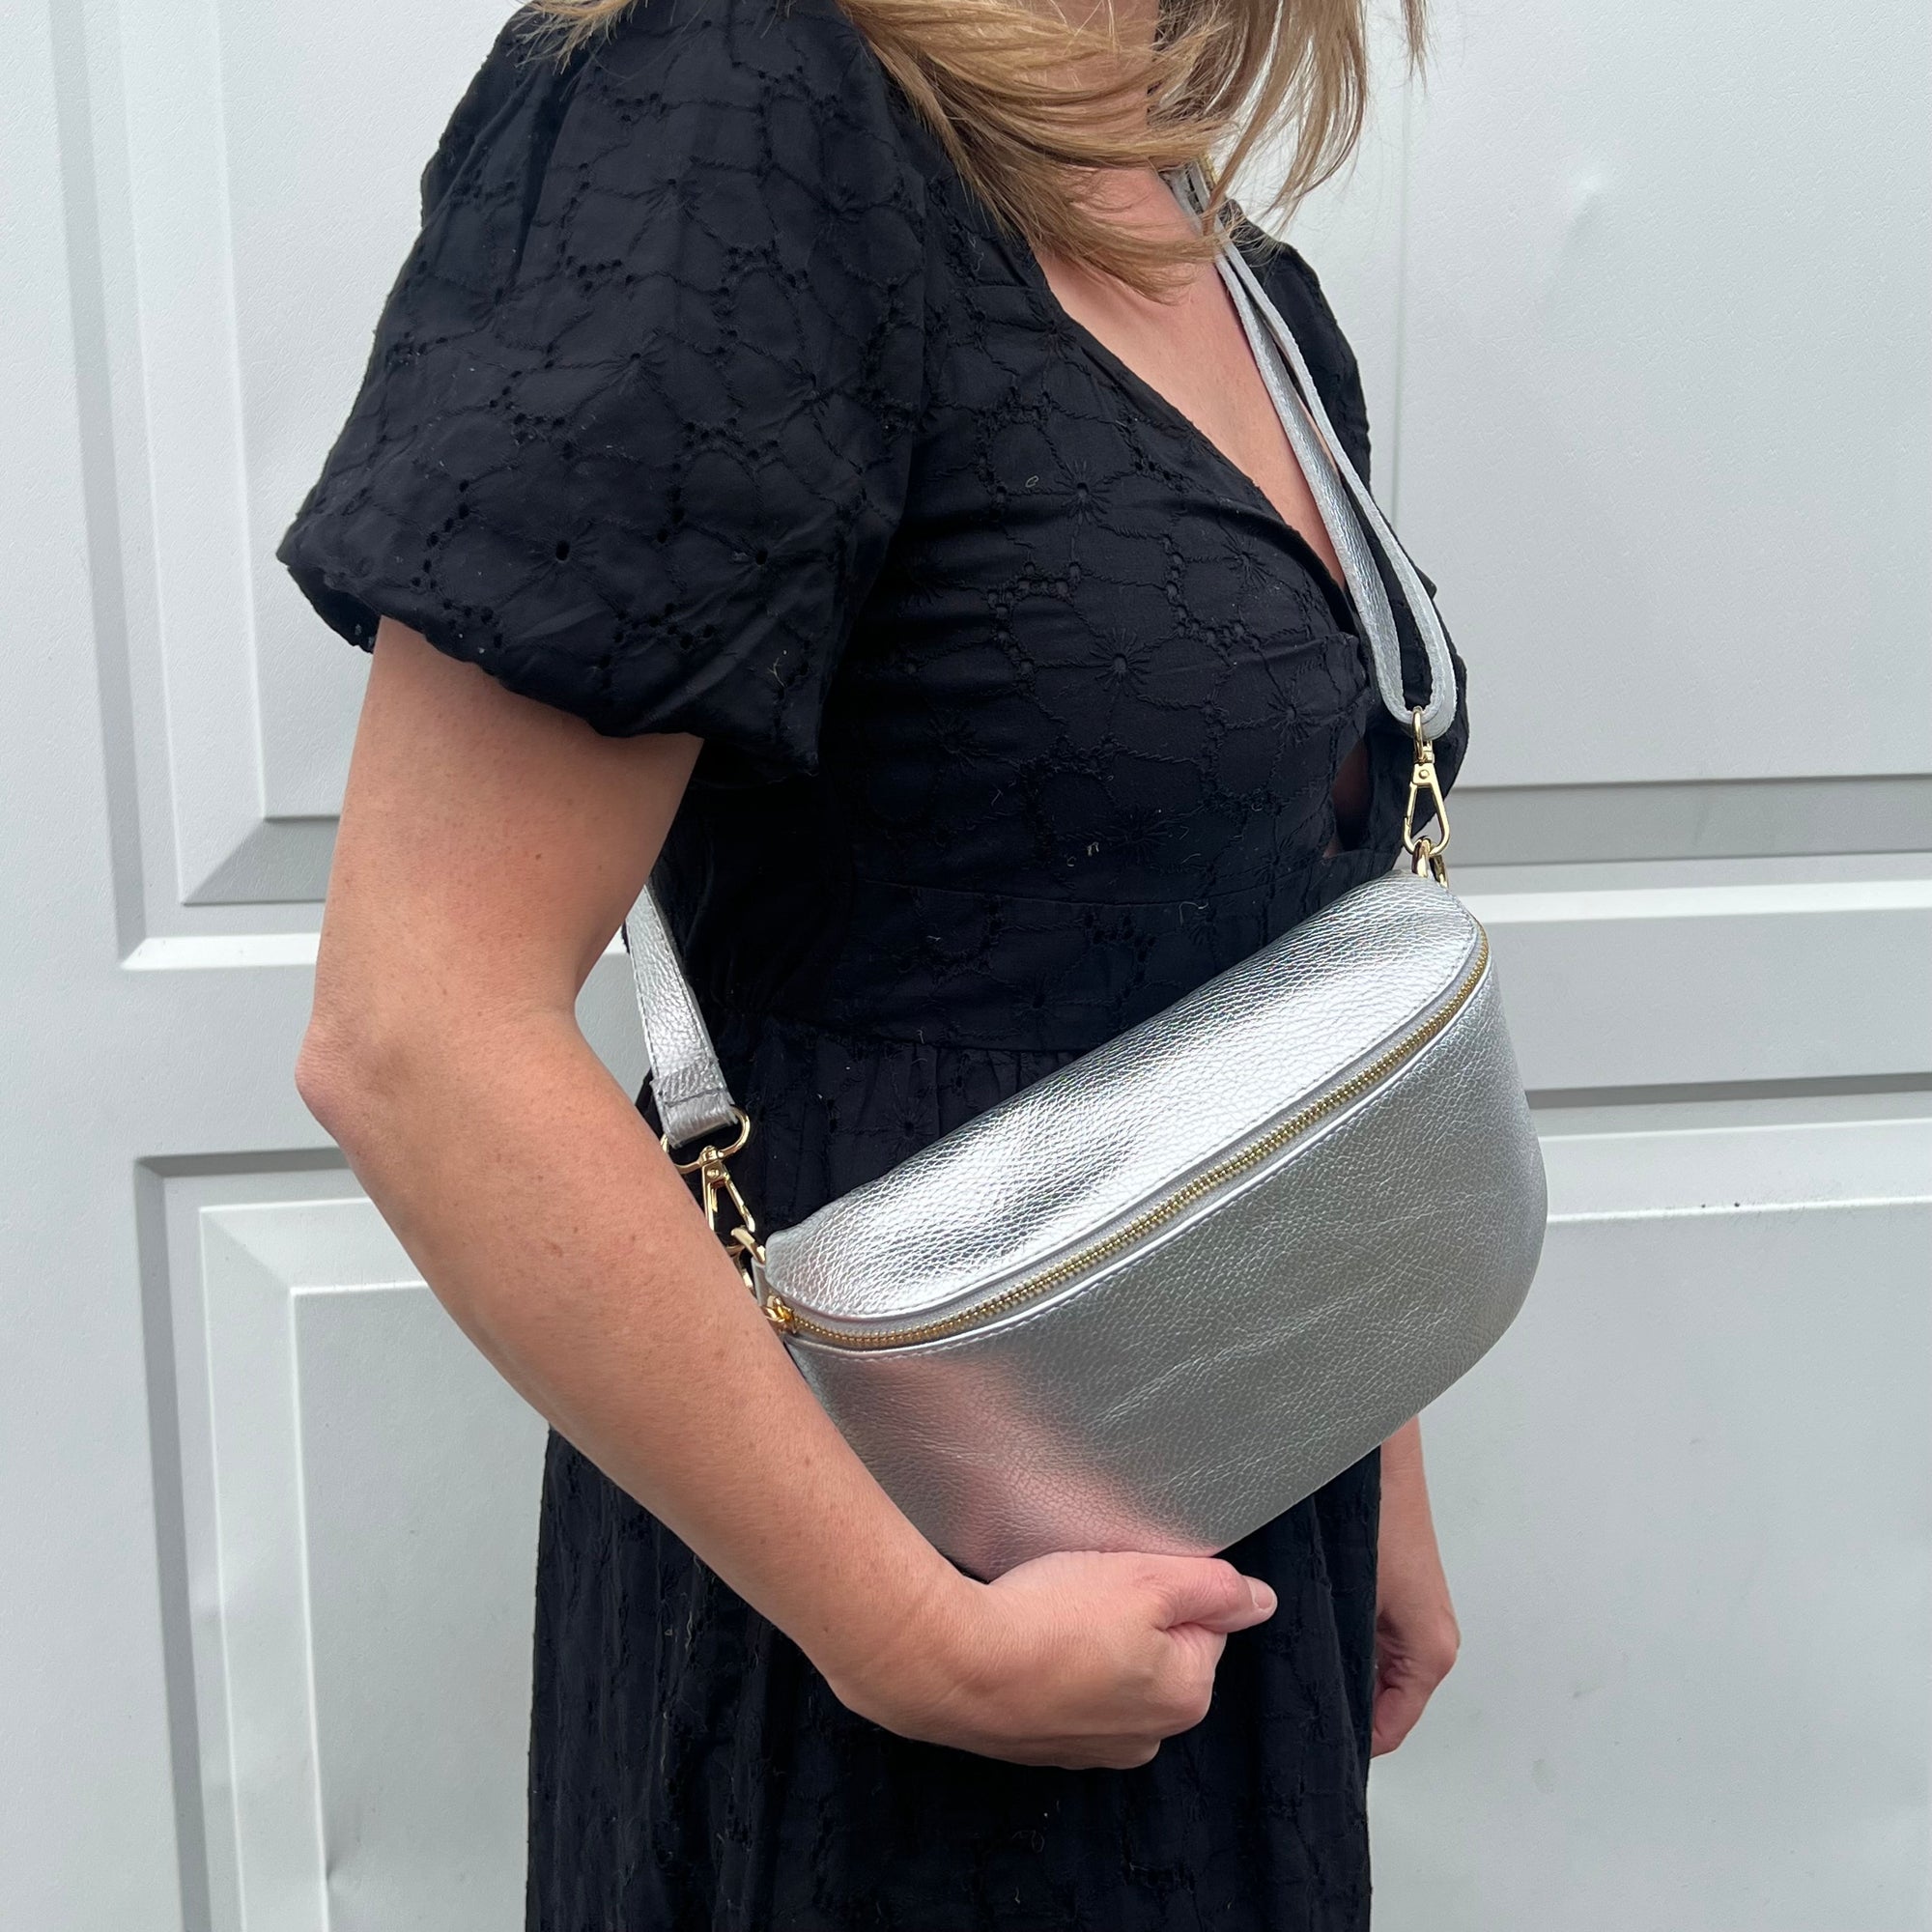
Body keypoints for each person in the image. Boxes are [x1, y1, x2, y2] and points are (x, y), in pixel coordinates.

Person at [282, 0, 1469, 1921]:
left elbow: (1282, 944)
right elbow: (417, 1028)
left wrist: (1369, 1435)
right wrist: (911, 1636)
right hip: (873, 1564)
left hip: (1223, 1503)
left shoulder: (1208, 236)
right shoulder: (724, 95)